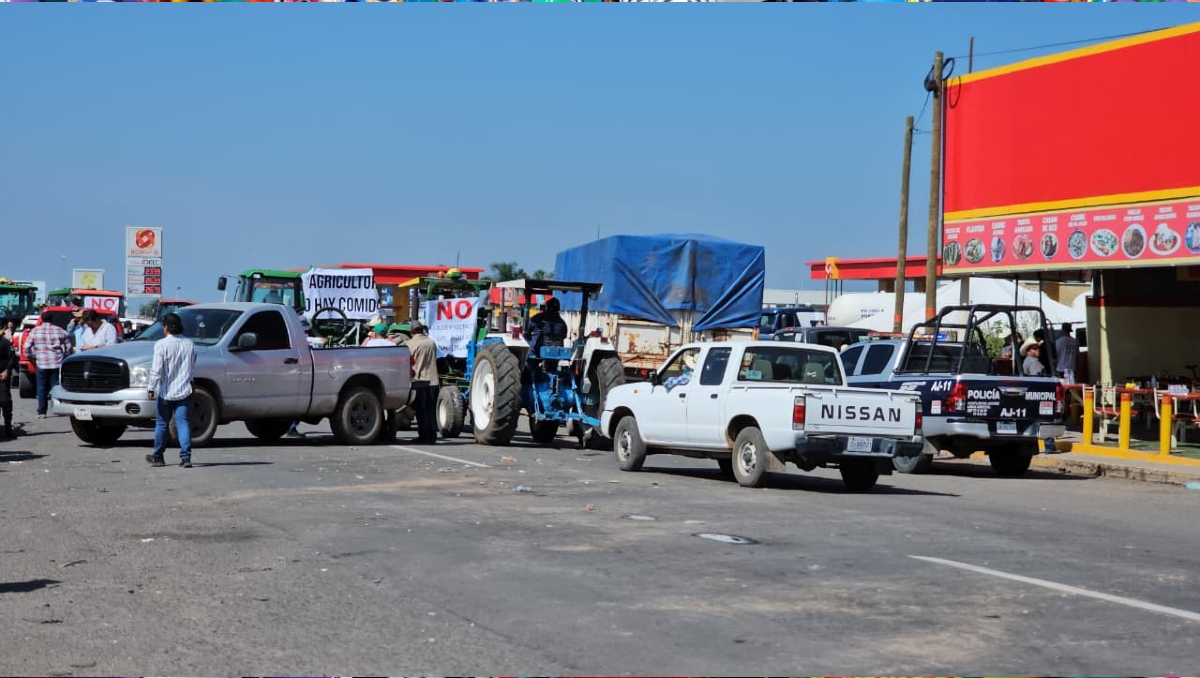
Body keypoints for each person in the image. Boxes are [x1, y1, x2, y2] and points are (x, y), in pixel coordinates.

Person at [145, 313, 198, 468]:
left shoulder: (161, 345)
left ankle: (158, 456)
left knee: (162, 424)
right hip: (185, 390)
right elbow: (191, 367)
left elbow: (156, 370)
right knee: (183, 423)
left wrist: (151, 387)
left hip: (166, 392)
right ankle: (186, 457)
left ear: (166, 327)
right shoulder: (190, 344)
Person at [23, 311, 72, 419]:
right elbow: (68, 346)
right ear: (51, 319)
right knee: (56, 386)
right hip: (56, 362)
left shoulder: (35, 331)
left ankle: (42, 412)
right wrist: (65, 356)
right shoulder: (60, 330)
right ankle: (58, 408)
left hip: (41, 363)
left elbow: (26, 348)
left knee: (41, 388)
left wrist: (33, 356)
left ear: (42, 319)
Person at [405, 319, 439, 444]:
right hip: (433, 380)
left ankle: (424, 436)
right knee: (431, 410)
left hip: (419, 381)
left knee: (421, 410)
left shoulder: (410, 344)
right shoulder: (431, 342)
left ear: (411, 332)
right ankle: (432, 435)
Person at [0, 332, 16, 439]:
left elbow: (12, 357)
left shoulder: (5, 342)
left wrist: (7, 370)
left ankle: (8, 427)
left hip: (2, 376)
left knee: (5, 401)